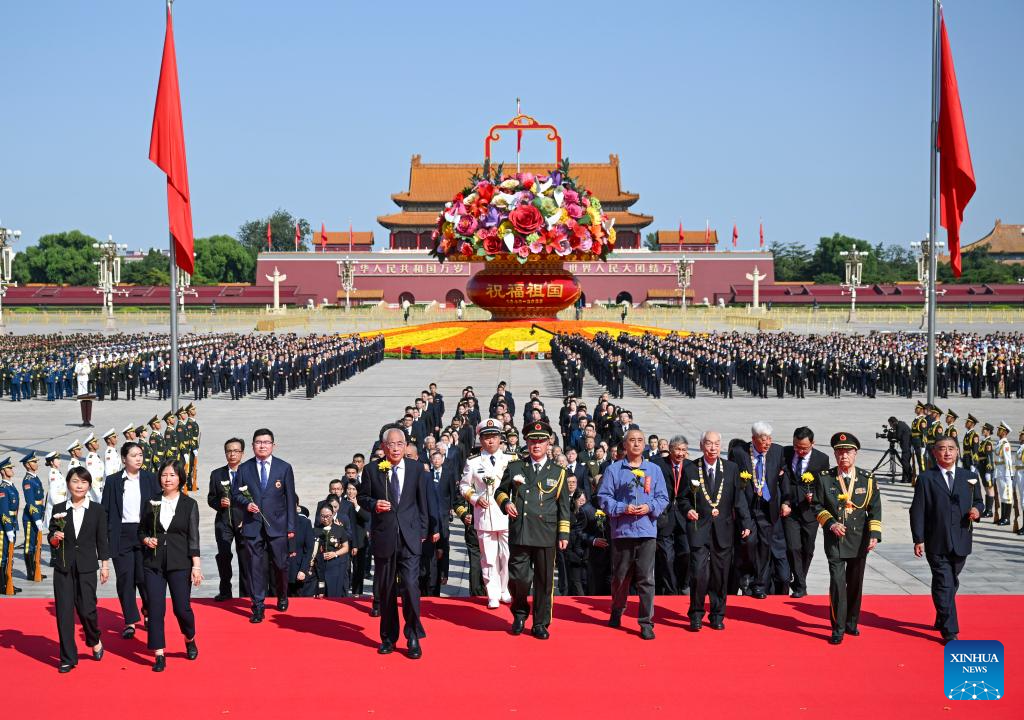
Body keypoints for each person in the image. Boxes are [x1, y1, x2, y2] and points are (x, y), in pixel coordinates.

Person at [358, 427, 432, 659]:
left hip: (410, 537)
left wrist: (423, 531)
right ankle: (388, 638)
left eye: (400, 444)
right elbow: (362, 497)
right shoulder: (372, 470)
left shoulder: (416, 469)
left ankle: (413, 635)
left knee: (410, 586)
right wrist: (374, 505)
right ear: (384, 447)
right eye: (391, 444)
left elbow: (423, 502)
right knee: (387, 589)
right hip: (385, 536)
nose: (396, 448)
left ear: (406, 445)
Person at [494, 420, 571, 640]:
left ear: (548, 444)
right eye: (532, 441)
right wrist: (506, 503)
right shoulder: (516, 467)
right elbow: (500, 491)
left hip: (546, 533)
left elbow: (564, 507)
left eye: (541, 441)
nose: (536, 445)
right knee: (518, 578)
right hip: (521, 530)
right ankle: (519, 613)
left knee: (544, 582)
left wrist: (563, 534)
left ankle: (540, 623)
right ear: (527, 443)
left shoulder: (558, 472)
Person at [910, 436, 984, 643]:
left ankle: (942, 615)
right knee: (944, 582)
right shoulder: (926, 478)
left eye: (951, 448)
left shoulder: (969, 477)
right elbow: (917, 510)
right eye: (942, 449)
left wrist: (977, 510)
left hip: (961, 538)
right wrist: (918, 539)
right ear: (934, 453)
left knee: (951, 581)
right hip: (936, 540)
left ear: (958, 451)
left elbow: (980, 501)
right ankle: (950, 631)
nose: (947, 452)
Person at [596, 428, 669, 639]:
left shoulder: (654, 470)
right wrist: (622, 508)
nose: (636, 444)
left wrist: (649, 507)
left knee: (646, 578)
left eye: (640, 440)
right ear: (625, 445)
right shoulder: (614, 470)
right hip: (623, 532)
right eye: (632, 440)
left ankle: (646, 622)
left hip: (646, 531)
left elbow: (663, 498)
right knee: (620, 577)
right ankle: (617, 608)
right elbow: (603, 498)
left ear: (644, 444)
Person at [812, 432, 882, 645]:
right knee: (837, 583)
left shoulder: (867, 479)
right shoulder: (825, 478)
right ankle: (838, 628)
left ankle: (851, 622)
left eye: (848, 452)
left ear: (855, 454)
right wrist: (831, 523)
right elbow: (817, 505)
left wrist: (875, 535)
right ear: (835, 455)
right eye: (840, 452)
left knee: (855, 583)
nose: (844, 456)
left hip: (859, 539)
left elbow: (875, 509)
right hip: (835, 539)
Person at [678, 431, 752, 631]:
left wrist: (746, 523)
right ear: (702, 445)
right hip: (699, 528)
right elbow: (682, 498)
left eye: (716, 444)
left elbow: (739, 499)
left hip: (723, 529)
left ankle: (718, 614)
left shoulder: (731, 468)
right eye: (709, 444)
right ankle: (696, 614)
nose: (713, 448)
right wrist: (688, 510)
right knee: (698, 573)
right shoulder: (691, 468)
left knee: (720, 574)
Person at [139, 460, 202, 671]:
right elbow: (141, 530)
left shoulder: (189, 504)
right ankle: (159, 653)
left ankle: (189, 638)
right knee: (155, 608)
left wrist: (196, 566)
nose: (167, 479)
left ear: (180, 478)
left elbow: (193, 538)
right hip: (153, 563)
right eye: (164, 475)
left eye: (172, 475)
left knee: (181, 608)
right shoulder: (151, 502)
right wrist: (146, 540)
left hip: (180, 563)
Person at [48, 466, 110, 672]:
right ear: (68, 484)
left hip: (87, 566)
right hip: (63, 566)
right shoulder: (59, 509)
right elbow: (51, 537)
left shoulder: (97, 510)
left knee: (87, 609)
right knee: (64, 612)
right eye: (75, 481)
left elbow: (102, 540)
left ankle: (94, 638)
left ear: (89, 485)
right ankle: (67, 657)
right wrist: (54, 538)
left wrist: (104, 565)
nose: (79, 485)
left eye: (84, 482)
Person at [232, 428, 297, 624]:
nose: (262, 446)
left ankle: (282, 595)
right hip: (253, 524)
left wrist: (291, 527)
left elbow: (290, 499)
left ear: (273, 445)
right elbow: (235, 494)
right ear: (253, 446)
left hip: (278, 525)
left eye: (266, 442)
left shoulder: (284, 468)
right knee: (255, 566)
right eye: (258, 442)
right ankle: (258, 605)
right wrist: (246, 504)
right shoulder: (244, 468)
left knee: (280, 564)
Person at [101, 441, 159, 640]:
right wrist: (104, 538)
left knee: (144, 578)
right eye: (134, 455)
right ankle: (130, 621)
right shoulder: (113, 481)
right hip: (122, 534)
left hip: (144, 533)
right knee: (125, 579)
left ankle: (148, 611)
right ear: (124, 459)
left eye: (140, 455)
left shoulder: (150, 478)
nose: (138, 458)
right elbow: (105, 510)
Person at [459, 419, 515, 609]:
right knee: (489, 557)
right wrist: (475, 498)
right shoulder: (473, 461)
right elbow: (464, 486)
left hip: (506, 513)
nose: (490, 441)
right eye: (486, 437)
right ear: (481, 440)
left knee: (507, 555)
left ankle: (505, 589)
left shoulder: (511, 459)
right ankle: (492, 592)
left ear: (500, 439)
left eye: (494, 437)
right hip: (484, 513)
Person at [729, 421, 789, 597]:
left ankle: (759, 584)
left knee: (764, 545)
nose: (767, 443)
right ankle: (747, 574)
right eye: (763, 439)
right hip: (747, 506)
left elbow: (783, 476)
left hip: (768, 506)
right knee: (748, 542)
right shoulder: (739, 453)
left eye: (769, 438)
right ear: (753, 438)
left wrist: (786, 500)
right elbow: (734, 483)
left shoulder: (777, 451)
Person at [782, 427, 830, 599]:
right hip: (790, 510)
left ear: (812, 443)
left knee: (808, 549)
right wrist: (784, 501)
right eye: (796, 446)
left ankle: (798, 581)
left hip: (809, 511)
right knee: (793, 547)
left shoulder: (822, 459)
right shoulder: (786, 453)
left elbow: (825, 484)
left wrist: (815, 496)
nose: (799, 451)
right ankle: (801, 586)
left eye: (804, 448)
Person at [208, 438, 250, 601]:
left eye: (236, 451)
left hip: (244, 521)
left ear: (242, 453)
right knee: (224, 556)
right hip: (224, 521)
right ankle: (225, 591)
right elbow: (211, 498)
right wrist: (219, 503)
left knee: (245, 557)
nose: (232, 454)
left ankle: (246, 594)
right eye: (229, 451)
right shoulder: (217, 474)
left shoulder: (249, 472)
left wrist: (248, 516)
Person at [311, 504, 350, 597]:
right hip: (319, 566)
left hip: (335, 565)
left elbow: (346, 547)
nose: (325, 519)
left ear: (332, 515)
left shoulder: (339, 529)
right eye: (322, 516)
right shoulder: (315, 530)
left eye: (328, 516)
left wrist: (335, 553)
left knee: (333, 593)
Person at [20, 452, 48, 582]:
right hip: (31, 517)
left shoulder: (35, 478)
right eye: (34, 462)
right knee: (29, 545)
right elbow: (30, 502)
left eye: (36, 461)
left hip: (38, 512)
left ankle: (36, 570)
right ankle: (30, 572)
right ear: (27, 465)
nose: (36, 463)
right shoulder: (28, 480)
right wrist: (36, 518)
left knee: (37, 544)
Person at [1, 457, 22, 594]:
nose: (11, 469)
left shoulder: (11, 486)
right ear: (3, 471)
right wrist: (8, 529)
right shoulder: (3, 489)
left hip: (12, 524)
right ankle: (2, 585)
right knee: (3, 556)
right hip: (4, 528)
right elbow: (3, 512)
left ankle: (9, 582)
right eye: (9, 468)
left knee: (10, 556)